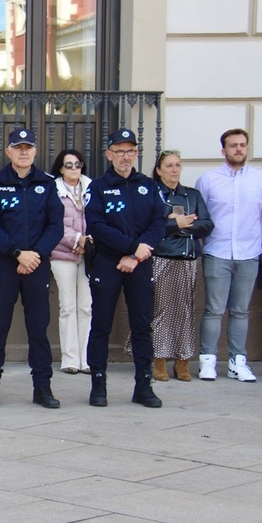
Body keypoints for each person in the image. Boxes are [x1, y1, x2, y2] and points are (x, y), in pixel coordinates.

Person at [0, 129, 63, 409]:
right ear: (9, 151)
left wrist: (34, 255)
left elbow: (55, 226)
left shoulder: (47, 184)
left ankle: (43, 388)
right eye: (18, 147)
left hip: (36, 266)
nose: (23, 152)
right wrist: (17, 253)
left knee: (39, 329)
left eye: (28, 147)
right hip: (4, 265)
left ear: (35, 152)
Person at [84, 128, 167, 408]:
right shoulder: (97, 187)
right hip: (107, 262)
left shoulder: (149, 185)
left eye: (130, 151)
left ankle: (144, 385)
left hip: (140, 264)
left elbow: (158, 222)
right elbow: (96, 226)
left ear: (136, 154)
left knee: (142, 326)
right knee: (101, 326)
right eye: (119, 151)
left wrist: (137, 254)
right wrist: (131, 248)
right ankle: (98, 384)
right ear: (109, 154)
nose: (125, 156)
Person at [124, 150, 213, 381]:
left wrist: (181, 224)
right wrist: (173, 225)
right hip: (162, 257)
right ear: (159, 169)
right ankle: (159, 358)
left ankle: (182, 361)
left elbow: (206, 224)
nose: (174, 170)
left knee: (185, 311)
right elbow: (149, 224)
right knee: (160, 311)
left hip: (188, 259)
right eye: (169, 165)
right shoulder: (153, 193)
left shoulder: (191, 195)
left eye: (178, 165)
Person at [194, 128, 262, 382]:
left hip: (249, 253)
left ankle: (237, 362)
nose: (238, 149)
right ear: (223, 150)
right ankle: (208, 361)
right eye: (233, 145)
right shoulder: (209, 180)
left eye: (242, 145)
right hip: (217, 252)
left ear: (247, 148)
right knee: (213, 309)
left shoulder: (259, 179)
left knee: (240, 310)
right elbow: (199, 216)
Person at [50, 149, 93, 374]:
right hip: (61, 255)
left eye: (77, 164)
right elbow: (53, 222)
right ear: (60, 168)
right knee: (67, 307)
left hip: (89, 255)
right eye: (69, 165)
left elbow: (98, 217)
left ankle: (87, 359)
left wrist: (89, 240)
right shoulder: (53, 189)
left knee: (86, 307)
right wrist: (76, 239)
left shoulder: (91, 188)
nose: (74, 169)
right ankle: (69, 359)